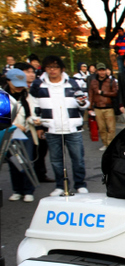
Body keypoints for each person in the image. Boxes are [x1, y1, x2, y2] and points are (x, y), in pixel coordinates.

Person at [29, 55, 89, 196]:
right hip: (51, 128)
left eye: (55, 67)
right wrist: (38, 126)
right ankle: (60, 186)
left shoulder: (73, 83)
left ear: (62, 69)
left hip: (72, 127)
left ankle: (80, 184)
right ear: (45, 69)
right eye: (49, 67)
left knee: (78, 159)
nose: (52, 70)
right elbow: (34, 107)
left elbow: (85, 103)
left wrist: (82, 102)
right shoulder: (38, 85)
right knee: (56, 160)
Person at [4, 68, 38, 202]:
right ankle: (17, 190)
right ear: (8, 82)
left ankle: (29, 190)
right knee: (14, 162)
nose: (19, 88)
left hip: (26, 133)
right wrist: (14, 125)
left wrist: (34, 120)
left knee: (28, 161)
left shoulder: (27, 96)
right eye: (16, 84)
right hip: (9, 134)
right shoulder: (2, 97)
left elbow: (31, 113)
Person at [88, 63, 118, 151]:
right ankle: (105, 144)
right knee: (102, 128)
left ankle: (110, 144)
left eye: (103, 70)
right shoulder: (93, 82)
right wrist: (89, 107)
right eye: (100, 70)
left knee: (111, 128)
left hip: (109, 107)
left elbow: (115, 93)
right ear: (97, 71)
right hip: (97, 108)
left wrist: (103, 93)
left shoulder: (111, 81)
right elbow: (91, 95)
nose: (102, 72)